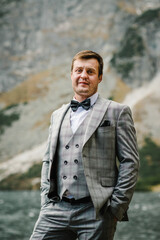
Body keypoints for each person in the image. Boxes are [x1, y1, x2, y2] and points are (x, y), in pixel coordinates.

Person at [30, 50, 139, 240]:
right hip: (55, 210)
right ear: (71, 74)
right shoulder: (57, 115)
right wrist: (45, 199)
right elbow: (48, 160)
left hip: (97, 212)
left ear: (100, 77)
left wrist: (115, 209)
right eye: (79, 70)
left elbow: (130, 162)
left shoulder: (118, 112)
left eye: (90, 72)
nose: (83, 76)